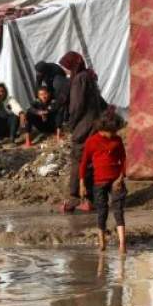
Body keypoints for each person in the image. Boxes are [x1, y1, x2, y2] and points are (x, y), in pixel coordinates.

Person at [59, 51, 106, 212]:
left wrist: (71, 124)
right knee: (91, 162)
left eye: (66, 67)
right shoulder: (89, 76)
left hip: (84, 127)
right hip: (94, 126)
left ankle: (75, 198)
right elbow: (101, 101)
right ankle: (91, 198)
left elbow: (77, 106)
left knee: (79, 161)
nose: (65, 71)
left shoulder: (79, 79)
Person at [79, 109, 126, 254]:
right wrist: (82, 183)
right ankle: (102, 242)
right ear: (103, 129)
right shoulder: (91, 142)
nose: (113, 134)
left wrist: (121, 178)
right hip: (99, 182)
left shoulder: (117, 140)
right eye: (111, 131)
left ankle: (122, 244)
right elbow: (84, 163)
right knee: (102, 211)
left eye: (115, 131)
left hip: (116, 180)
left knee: (118, 211)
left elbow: (123, 159)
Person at [0, 83, 26, 148]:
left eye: (2, 91)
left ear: (5, 92)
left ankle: (12, 140)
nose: (0, 93)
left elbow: (17, 108)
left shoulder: (10, 99)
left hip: (9, 128)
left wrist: (21, 115)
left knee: (14, 115)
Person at [35, 60, 69, 133]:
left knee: (59, 103)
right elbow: (38, 85)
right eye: (38, 72)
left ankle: (63, 120)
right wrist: (38, 96)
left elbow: (62, 81)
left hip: (60, 88)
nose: (38, 74)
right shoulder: (39, 73)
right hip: (50, 86)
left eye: (40, 72)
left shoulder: (55, 69)